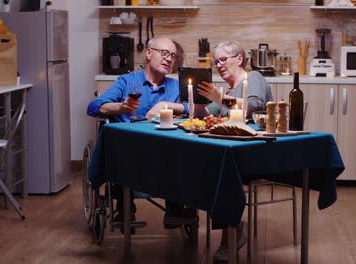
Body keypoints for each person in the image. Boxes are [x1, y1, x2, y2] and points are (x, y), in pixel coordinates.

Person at [87, 37, 195, 228]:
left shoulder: (175, 86)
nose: (169, 59)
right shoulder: (126, 81)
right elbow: (94, 107)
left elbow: (192, 107)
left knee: (182, 151)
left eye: (173, 56)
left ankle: (175, 208)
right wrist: (121, 107)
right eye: (164, 53)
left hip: (165, 152)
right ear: (148, 53)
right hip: (130, 154)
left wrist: (166, 105)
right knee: (121, 151)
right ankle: (125, 206)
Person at [197, 40, 273, 262]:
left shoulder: (254, 78)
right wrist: (170, 106)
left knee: (217, 171)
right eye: (215, 62)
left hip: (254, 153)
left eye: (223, 60)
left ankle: (230, 233)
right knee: (197, 163)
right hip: (228, 152)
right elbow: (204, 113)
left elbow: (255, 106)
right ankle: (233, 224)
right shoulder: (227, 91)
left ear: (239, 59)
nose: (218, 65)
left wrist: (220, 98)